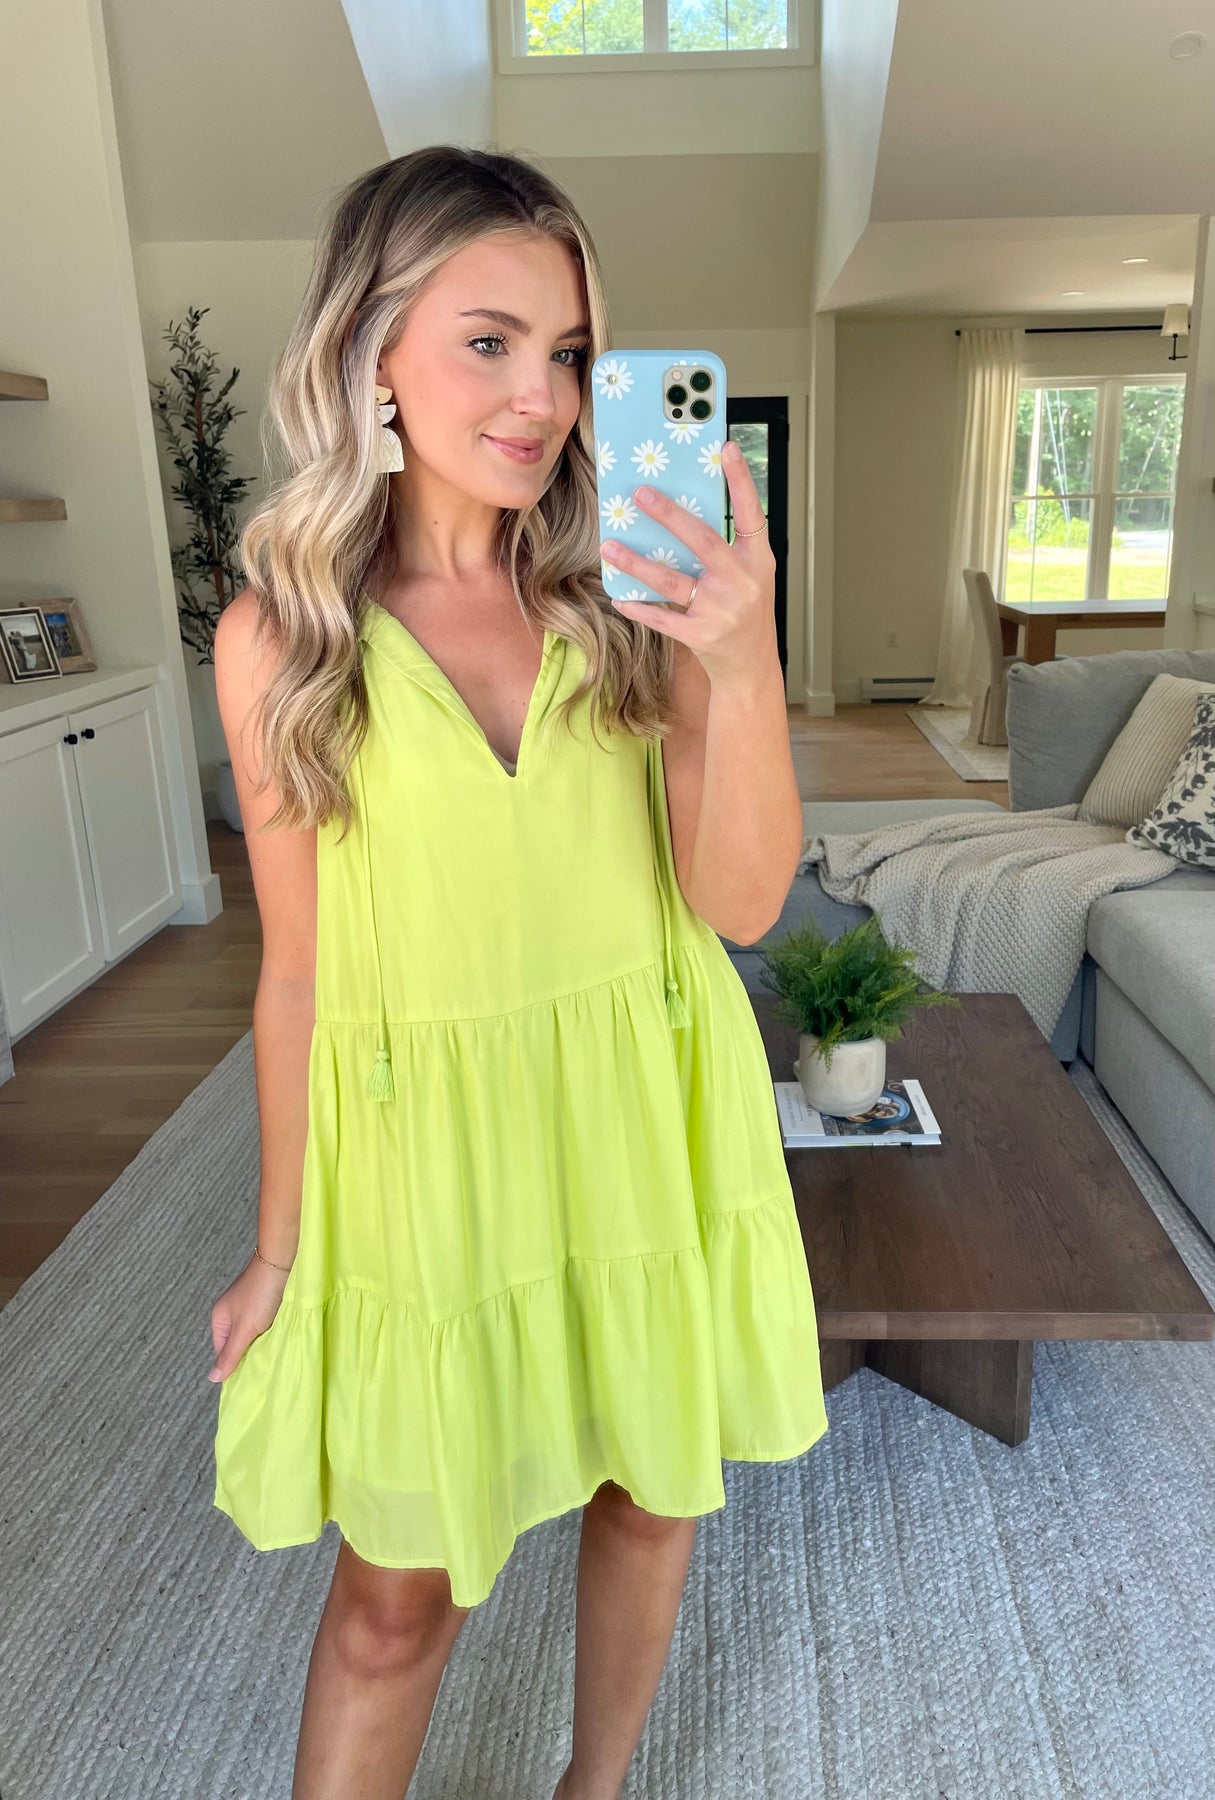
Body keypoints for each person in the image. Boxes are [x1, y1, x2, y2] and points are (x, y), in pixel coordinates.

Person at [206, 144, 829, 1800]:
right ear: (372, 350)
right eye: (488, 341)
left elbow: (741, 902)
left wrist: (744, 662)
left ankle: (591, 1786)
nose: (540, 396)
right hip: (430, 1154)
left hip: (642, 1105)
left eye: (567, 351)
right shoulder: (284, 635)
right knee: (394, 1603)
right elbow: (296, 977)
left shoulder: (628, 597)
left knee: (650, 1490)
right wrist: (280, 1250)